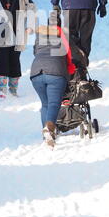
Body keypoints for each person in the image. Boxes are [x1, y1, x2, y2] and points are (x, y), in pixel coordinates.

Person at [30, 13, 76, 148]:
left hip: (36, 71)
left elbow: (35, 52)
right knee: (54, 103)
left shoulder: (39, 35)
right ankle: (49, 129)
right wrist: (71, 69)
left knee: (45, 104)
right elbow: (69, 55)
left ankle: (46, 135)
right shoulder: (62, 35)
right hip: (56, 71)